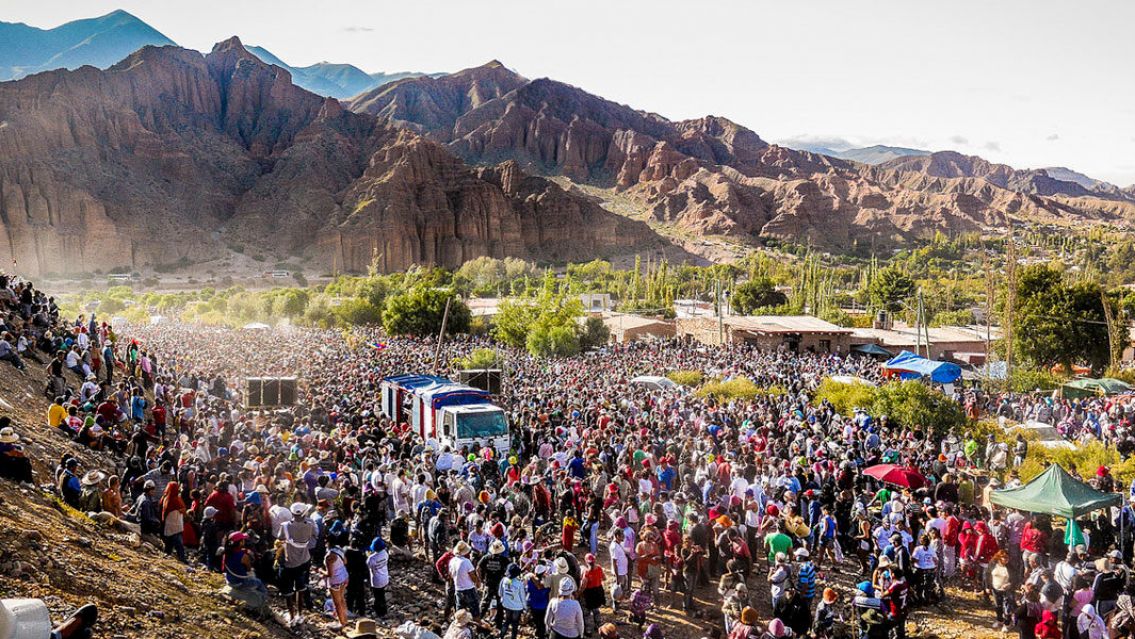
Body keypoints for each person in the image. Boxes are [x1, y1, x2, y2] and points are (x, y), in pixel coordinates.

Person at [279, 502, 316, 626]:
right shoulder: (309, 526)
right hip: (304, 561)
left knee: (288, 593)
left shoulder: (284, 526)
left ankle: (291, 617)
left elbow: (279, 538)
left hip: (289, 564)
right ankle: (300, 614)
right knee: (300, 589)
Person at [450, 542, 482, 618]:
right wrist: (477, 582)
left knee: (460, 611)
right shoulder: (466, 561)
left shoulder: (452, 561)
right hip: (468, 589)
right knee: (475, 610)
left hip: (458, 589)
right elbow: (472, 575)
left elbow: (451, 575)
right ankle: (477, 626)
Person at [159, 482, 187, 563]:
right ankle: (182, 558)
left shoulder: (164, 498)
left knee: (169, 542)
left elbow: (161, 509)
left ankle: (166, 555)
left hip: (167, 524)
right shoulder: (176, 499)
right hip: (176, 525)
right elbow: (183, 509)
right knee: (179, 544)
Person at [499, 564, 528, 639]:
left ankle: (501, 636)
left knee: (507, 621)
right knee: (515, 623)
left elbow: (500, 593)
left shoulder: (504, 580)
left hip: (507, 604)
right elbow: (522, 597)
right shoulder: (519, 584)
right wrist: (525, 607)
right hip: (517, 607)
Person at [365, 536, 390, 620]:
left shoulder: (371, 558)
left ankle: (380, 611)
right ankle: (382, 609)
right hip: (384, 577)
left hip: (376, 580)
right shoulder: (385, 553)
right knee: (381, 594)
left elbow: (368, 567)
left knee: (377, 596)